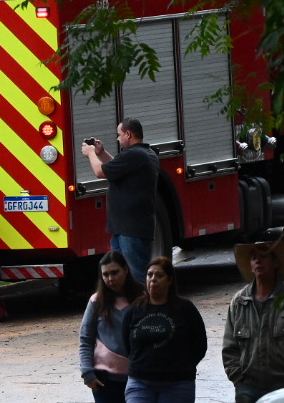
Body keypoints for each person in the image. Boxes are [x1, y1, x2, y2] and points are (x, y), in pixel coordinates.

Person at [222, 241, 284, 403]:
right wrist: (239, 381)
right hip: (249, 387)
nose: (258, 261)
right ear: (251, 266)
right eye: (254, 258)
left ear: (276, 263)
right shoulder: (239, 302)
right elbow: (229, 348)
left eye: (263, 256)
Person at [82, 118, 161, 283]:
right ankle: (129, 307)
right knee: (121, 277)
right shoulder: (144, 153)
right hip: (124, 228)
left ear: (128, 134)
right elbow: (116, 168)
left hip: (131, 229)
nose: (118, 139)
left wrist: (90, 154)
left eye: (119, 135)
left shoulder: (135, 154)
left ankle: (144, 306)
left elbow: (100, 171)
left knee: (137, 275)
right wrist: (101, 153)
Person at [121, 257, 207, 403]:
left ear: (170, 280)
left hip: (178, 384)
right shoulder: (134, 310)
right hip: (140, 383)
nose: (153, 279)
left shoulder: (185, 309)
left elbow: (199, 345)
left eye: (159, 275)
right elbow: (127, 346)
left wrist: (181, 367)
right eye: (150, 275)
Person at [80, 250, 145, 403]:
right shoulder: (96, 302)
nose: (110, 279)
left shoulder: (142, 299)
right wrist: (87, 373)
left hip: (139, 378)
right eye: (105, 275)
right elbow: (86, 339)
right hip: (104, 381)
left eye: (115, 272)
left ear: (126, 270)